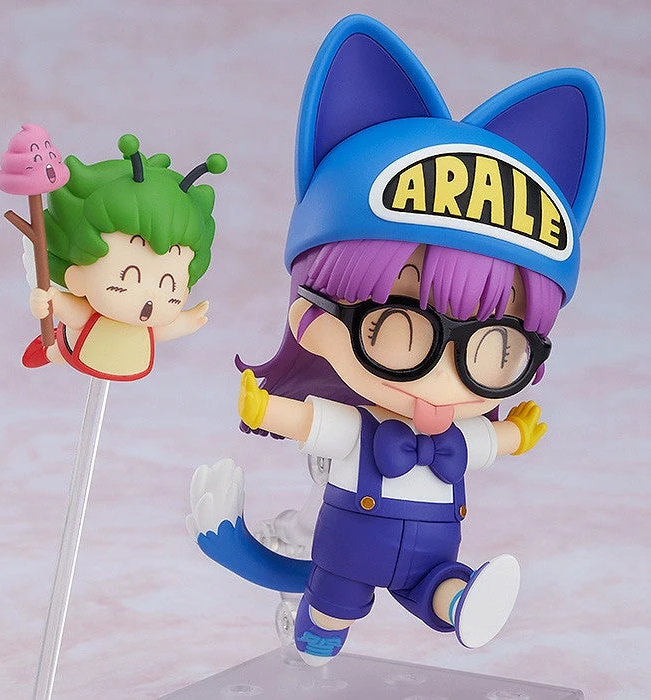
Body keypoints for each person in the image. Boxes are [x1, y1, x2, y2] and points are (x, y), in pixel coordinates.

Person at [194, 14, 605, 665]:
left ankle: (462, 604)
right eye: (400, 328)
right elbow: (313, 424)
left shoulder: (456, 437)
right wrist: (264, 409)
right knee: (334, 602)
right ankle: (319, 639)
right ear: (312, 319)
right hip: (348, 553)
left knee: (437, 588)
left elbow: (489, 441)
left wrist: (516, 434)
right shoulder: (357, 430)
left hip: (432, 554)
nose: (445, 373)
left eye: (497, 348)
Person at [24, 134, 226, 381]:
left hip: (127, 358)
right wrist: (52, 300)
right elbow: (74, 314)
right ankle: (48, 351)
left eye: (170, 286)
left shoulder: (146, 326)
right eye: (130, 276)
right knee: (59, 352)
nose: (150, 298)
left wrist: (188, 320)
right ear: (77, 277)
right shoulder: (86, 312)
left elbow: (160, 330)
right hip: (78, 349)